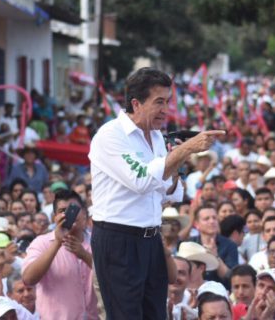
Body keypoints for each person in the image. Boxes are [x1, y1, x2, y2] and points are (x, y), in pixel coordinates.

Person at [89, 68, 224, 319]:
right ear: (136, 104)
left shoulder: (156, 137)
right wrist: (184, 151)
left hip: (151, 239)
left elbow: (168, 194)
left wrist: (176, 162)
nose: (165, 109)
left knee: (155, 314)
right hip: (119, 239)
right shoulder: (110, 136)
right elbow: (141, 180)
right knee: (126, 315)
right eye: (159, 102)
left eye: (168, 102)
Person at [21, 190, 97, 320]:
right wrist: (57, 243)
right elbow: (28, 279)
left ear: (84, 213)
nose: (68, 214)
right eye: (62, 210)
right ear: (54, 217)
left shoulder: (98, 243)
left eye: (74, 209)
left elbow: (114, 277)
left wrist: (84, 255)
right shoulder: (42, 243)